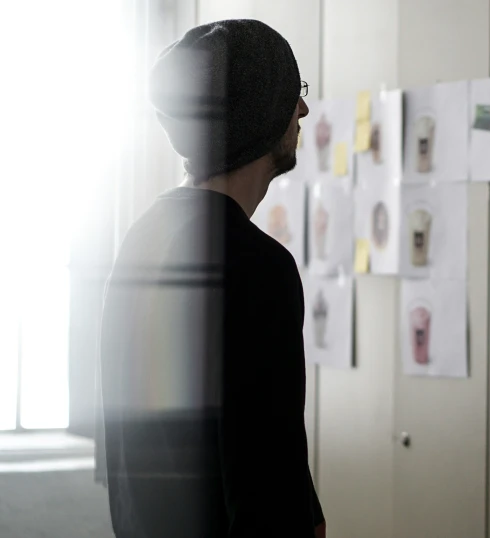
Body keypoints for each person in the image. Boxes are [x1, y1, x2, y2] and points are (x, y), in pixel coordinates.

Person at [99, 19, 325, 537]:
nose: (304, 110)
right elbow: (268, 473)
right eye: (294, 94)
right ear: (261, 112)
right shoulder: (253, 265)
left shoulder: (144, 236)